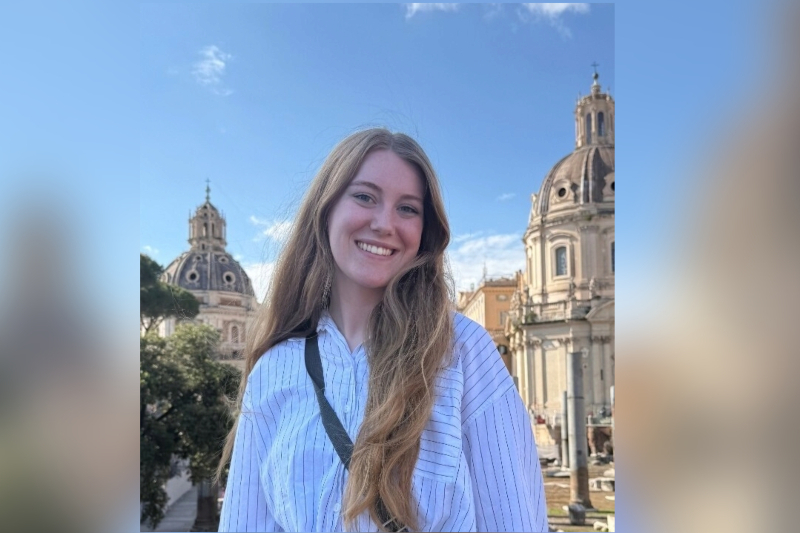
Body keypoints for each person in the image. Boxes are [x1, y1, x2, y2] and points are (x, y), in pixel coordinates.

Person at [216, 128, 548, 532]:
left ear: (425, 231)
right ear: (326, 210)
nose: (384, 223)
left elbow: (516, 523)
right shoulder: (273, 369)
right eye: (365, 196)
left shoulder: (463, 351)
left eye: (408, 209)